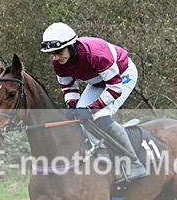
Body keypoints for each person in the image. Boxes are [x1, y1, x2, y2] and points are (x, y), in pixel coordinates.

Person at [40, 22, 147, 181]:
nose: (55, 57)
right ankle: (102, 150)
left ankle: (135, 164)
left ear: (71, 46)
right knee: (79, 116)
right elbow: (68, 87)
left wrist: (92, 108)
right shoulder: (58, 62)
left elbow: (115, 88)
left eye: (58, 51)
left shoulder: (96, 55)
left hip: (122, 76)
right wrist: (72, 104)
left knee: (100, 116)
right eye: (52, 53)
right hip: (99, 82)